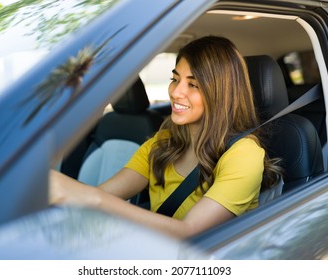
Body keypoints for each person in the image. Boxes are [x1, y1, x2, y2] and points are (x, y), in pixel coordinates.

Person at [49, 36, 281, 239]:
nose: (176, 92)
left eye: (193, 84)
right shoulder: (163, 142)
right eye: (175, 79)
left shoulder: (245, 154)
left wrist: (87, 198)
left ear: (221, 94)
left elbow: (188, 232)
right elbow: (104, 195)